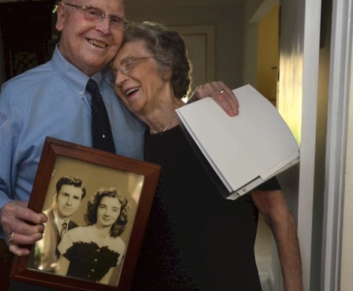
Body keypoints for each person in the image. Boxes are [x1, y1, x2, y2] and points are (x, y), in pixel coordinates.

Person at [0, 0, 238, 258]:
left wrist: (201, 107)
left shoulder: (130, 93)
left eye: (115, 20)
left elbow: (168, 123)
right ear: (63, 17)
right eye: (92, 13)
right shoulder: (18, 98)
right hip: (50, 274)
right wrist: (2, 213)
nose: (104, 28)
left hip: (130, 269)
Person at [108, 21, 304, 291]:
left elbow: (279, 215)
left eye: (130, 64)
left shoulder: (221, 122)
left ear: (166, 68)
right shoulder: (128, 150)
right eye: (114, 73)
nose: (119, 79)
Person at [55, 188, 129, 285]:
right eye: (103, 207)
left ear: (120, 214)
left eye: (114, 209)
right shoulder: (74, 235)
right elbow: (58, 278)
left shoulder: (119, 246)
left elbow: (104, 282)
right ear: (95, 208)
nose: (107, 213)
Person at [34, 176, 86, 272]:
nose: (69, 203)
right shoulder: (38, 221)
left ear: (80, 202)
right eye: (65, 195)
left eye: (75, 198)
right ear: (56, 196)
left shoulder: (77, 232)